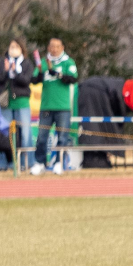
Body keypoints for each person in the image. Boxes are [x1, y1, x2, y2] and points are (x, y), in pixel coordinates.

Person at [32, 37, 78, 174]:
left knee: (63, 137)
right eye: (52, 46)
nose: (55, 49)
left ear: (62, 47)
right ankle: (40, 163)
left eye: (57, 46)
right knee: (41, 137)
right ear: (48, 48)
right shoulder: (43, 63)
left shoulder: (68, 62)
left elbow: (73, 78)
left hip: (63, 107)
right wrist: (41, 72)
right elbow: (34, 80)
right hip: (46, 106)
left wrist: (56, 74)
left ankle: (59, 162)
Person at [0, 40, 33, 168]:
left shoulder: (26, 63)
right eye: (11, 46)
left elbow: (26, 80)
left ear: (22, 49)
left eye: (17, 47)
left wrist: (16, 72)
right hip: (5, 103)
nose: (13, 49)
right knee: (4, 133)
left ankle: (27, 163)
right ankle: (4, 163)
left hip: (21, 101)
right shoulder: (2, 61)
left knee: (25, 133)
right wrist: (6, 71)